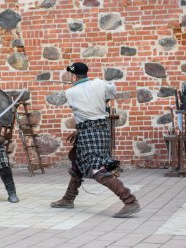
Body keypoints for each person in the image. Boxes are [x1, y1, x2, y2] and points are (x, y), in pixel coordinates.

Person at [50, 62, 141, 218]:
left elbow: (71, 105)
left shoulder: (71, 92)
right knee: (78, 164)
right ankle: (68, 198)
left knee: (97, 170)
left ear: (73, 76)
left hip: (88, 133)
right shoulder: (100, 83)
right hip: (100, 131)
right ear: (86, 74)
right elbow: (112, 92)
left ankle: (130, 201)